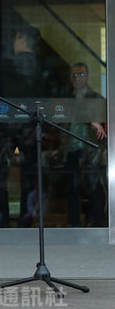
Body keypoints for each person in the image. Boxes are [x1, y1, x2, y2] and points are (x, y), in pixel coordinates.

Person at [0, 26, 42, 227]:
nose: (14, 43)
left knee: (0, 173)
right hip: (32, 126)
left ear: (22, 39)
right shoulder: (41, 67)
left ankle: (3, 220)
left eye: (16, 38)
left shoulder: (7, 66)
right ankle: (26, 217)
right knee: (29, 174)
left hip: (6, 125)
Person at [61, 62, 107, 227]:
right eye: (74, 75)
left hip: (90, 149)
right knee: (72, 189)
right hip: (71, 149)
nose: (77, 78)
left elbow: (103, 120)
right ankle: (74, 224)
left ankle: (98, 225)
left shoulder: (96, 98)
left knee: (94, 187)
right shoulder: (66, 97)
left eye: (81, 75)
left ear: (87, 77)